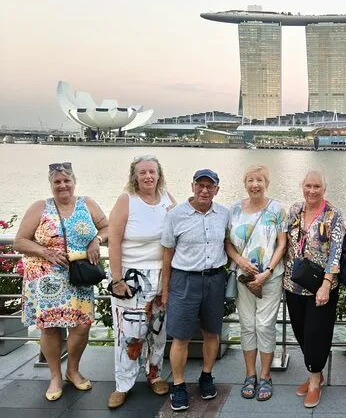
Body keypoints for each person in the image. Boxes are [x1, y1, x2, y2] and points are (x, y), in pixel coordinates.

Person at [14, 162, 108, 402]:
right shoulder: (39, 207)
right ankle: (55, 376)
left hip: (79, 276)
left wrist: (96, 240)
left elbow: (107, 227)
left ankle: (73, 371)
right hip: (46, 280)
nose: (62, 185)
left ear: (74, 182)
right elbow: (20, 241)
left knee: (82, 326)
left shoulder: (87, 204)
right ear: (51, 184)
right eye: (57, 181)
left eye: (67, 180)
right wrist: (45, 252)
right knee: (50, 328)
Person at [106, 156, 176, 409]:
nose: (148, 176)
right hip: (131, 277)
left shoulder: (167, 198)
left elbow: (179, 229)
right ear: (134, 176)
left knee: (158, 330)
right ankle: (123, 385)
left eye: (152, 172)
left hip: (162, 275)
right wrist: (117, 279)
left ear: (159, 175)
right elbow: (113, 242)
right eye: (143, 172)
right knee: (129, 333)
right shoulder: (127, 200)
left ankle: (154, 375)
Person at [160, 169, 230, 412]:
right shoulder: (175, 215)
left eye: (210, 186)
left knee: (212, 332)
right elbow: (167, 254)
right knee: (181, 337)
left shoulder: (224, 214)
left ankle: (206, 375)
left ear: (217, 190)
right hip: (184, 280)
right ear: (192, 186)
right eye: (200, 185)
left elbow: (228, 244)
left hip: (214, 280)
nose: (204, 190)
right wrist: (165, 290)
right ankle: (178, 384)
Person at [224, 165, 288, 402]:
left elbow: (282, 244)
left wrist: (267, 271)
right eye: (250, 180)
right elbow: (227, 243)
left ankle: (265, 375)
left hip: (270, 278)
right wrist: (240, 261)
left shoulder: (277, 209)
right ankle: (250, 374)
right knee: (247, 325)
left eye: (260, 180)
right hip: (243, 278)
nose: (255, 185)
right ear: (245, 184)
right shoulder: (234, 210)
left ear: (267, 183)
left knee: (264, 325)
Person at [283, 170, 343, 408]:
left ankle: (315, 380)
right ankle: (314, 372)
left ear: (324, 189)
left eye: (317, 186)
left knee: (316, 333)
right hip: (293, 283)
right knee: (300, 332)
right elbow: (285, 242)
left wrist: (326, 284)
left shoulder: (333, 214)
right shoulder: (295, 210)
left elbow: (336, 252)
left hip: (321, 286)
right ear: (302, 187)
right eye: (308, 185)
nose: (312, 190)